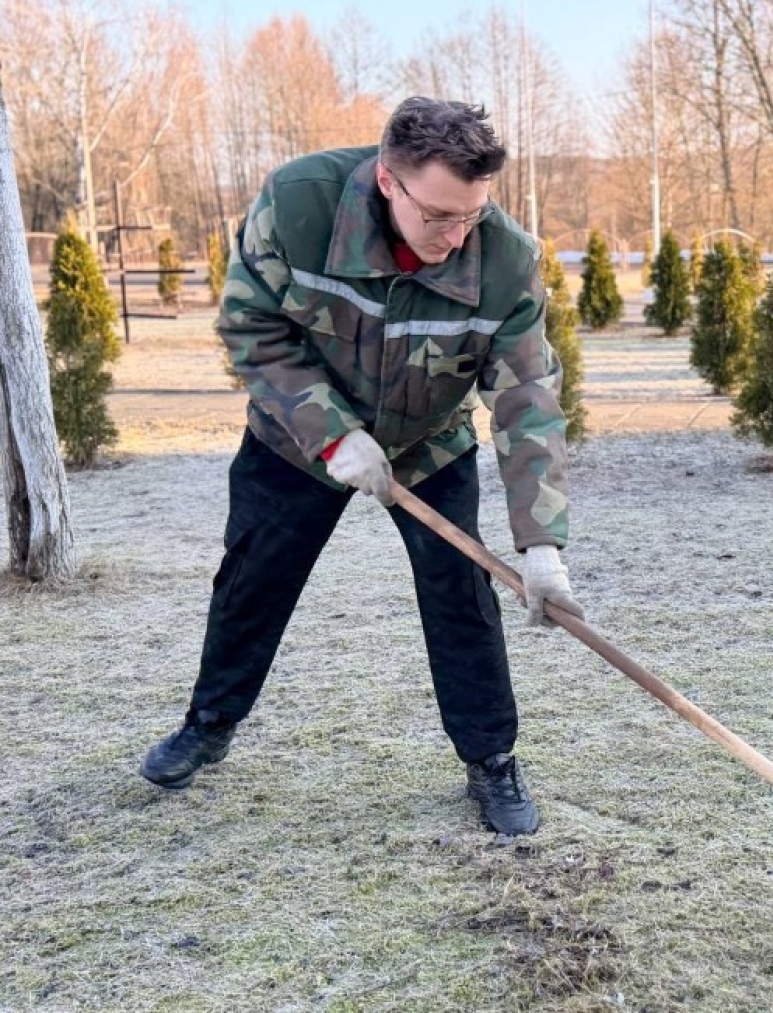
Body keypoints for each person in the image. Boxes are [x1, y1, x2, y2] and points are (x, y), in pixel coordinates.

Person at [141, 97, 582, 836]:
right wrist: (332, 435)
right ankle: (210, 722)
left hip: (429, 442)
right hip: (295, 439)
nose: (455, 235)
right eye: (439, 216)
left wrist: (541, 547)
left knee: (460, 594)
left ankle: (491, 759)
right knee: (254, 577)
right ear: (388, 180)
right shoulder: (299, 205)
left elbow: (527, 400)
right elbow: (251, 328)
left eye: (471, 215)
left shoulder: (506, 259)